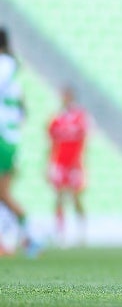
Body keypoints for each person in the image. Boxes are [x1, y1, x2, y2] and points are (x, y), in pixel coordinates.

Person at [0, 27, 36, 256]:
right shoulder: (11, 69)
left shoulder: (4, 65)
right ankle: (21, 237)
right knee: (3, 192)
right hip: (9, 136)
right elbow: (23, 111)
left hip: (3, 136)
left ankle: (30, 236)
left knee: (2, 192)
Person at [46, 86, 90, 247]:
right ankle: (60, 233)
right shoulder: (56, 119)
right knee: (59, 198)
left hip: (74, 163)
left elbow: (85, 142)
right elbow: (51, 143)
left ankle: (82, 231)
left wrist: (83, 164)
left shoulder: (81, 117)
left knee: (76, 197)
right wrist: (48, 165)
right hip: (59, 163)